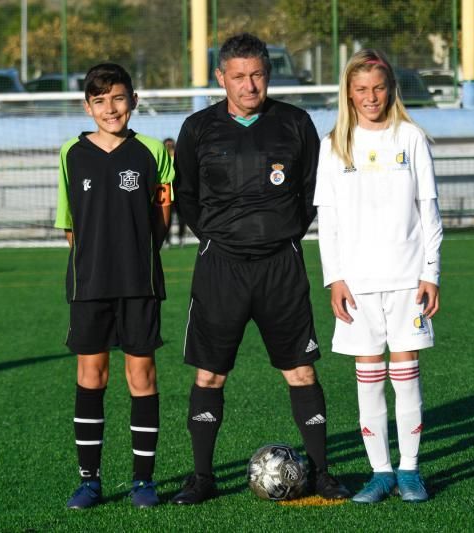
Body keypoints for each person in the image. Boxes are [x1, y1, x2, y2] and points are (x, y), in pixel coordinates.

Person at [170, 33, 351, 504]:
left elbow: (314, 191)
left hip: (280, 267)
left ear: (267, 74)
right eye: (238, 76)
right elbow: (185, 195)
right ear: (220, 78)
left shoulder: (294, 123)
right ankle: (203, 478)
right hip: (221, 268)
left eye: (257, 75)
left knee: (302, 371)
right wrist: (215, 236)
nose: (249, 85)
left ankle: (322, 471)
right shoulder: (197, 128)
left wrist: (285, 231)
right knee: (209, 375)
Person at [314, 49, 443, 504]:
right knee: (367, 376)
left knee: (405, 376)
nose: (371, 97)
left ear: (391, 89)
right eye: (361, 89)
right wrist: (336, 279)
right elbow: (326, 221)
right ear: (348, 93)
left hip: (408, 278)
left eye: (378, 88)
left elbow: (428, 210)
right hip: (358, 284)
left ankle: (409, 470)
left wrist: (431, 273)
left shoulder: (410, 137)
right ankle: (380, 472)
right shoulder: (333, 145)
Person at [54, 63, 174, 509]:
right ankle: (90, 480)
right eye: (100, 101)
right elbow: (70, 224)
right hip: (89, 283)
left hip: (139, 282)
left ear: (134, 101)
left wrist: (137, 251)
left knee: (141, 375)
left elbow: (162, 214)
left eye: (118, 98)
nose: (111, 108)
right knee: (91, 375)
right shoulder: (71, 153)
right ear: (88, 107)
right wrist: (94, 257)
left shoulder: (150, 152)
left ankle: (144, 481)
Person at [162, 137, 188, 247]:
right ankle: (167, 241)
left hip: (179, 195)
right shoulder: (163, 158)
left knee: (182, 220)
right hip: (166, 195)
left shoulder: (178, 158)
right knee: (166, 220)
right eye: (167, 144)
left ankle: (181, 238)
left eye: (171, 144)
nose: (169, 146)